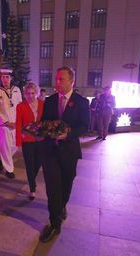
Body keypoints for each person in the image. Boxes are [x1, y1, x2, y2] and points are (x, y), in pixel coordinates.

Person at [38, 67, 90, 242]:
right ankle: (54, 224)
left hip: (69, 152)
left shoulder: (81, 102)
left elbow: (85, 126)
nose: (57, 82)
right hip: (50, 151)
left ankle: (61, 207)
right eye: (56, 78)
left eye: (61, 79)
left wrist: (68, 134)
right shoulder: (50, 100)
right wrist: (41, 129)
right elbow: (44, 121)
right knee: (53, 187)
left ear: (71, 81)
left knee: (66, 184)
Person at [0, 68, 23, 178]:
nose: (4, 79)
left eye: (7, 77)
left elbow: (20, 106)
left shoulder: (17, 90)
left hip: (15, 124)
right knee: (5, 147)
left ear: (11, 78)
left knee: (15, 146)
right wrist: (5, 122)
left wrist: (18, 121)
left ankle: (0, 157)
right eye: (2, 77)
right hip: (4, 125)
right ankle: (9, 170)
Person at [16, 82, 44, 200]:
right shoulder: (21, 106)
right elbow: (18, 124)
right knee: (29, 165)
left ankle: (31, 178)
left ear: (37, 93)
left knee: (38, 163)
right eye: (28, 93)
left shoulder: (43, 104)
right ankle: (32, 188)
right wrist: (18, 142)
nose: (30, 96)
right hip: (27, 140)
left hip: (40, 140)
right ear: (24, 94)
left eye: (33, 93)